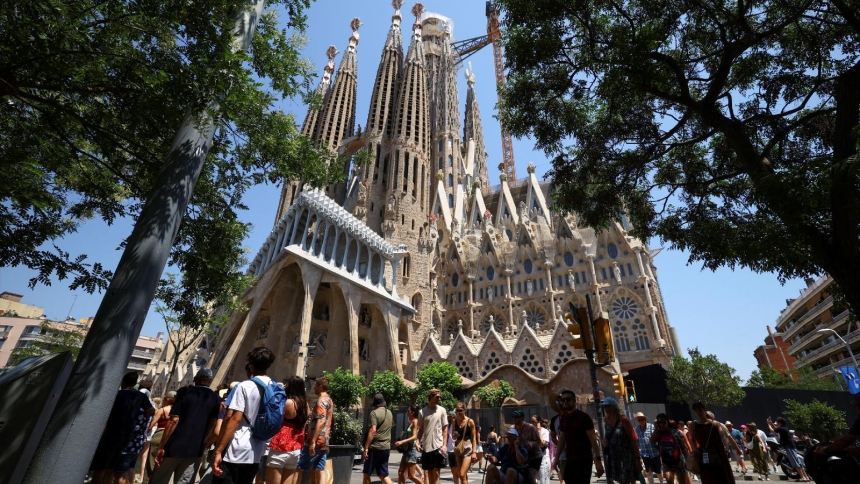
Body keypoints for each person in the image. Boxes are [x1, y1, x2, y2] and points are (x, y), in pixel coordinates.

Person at [212, 347, 277, 484]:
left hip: (236, 450)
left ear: (251, 365)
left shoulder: (245, 386)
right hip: (257, 450)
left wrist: (218, 450)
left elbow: (234, 419)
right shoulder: (275, 387)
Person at [149, 368, 220, 484]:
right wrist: (203, 442)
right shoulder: (216, 399)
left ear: (195, 379)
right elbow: (212, 424)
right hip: (195, 450)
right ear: (210, 381)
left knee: (159, 480)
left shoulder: (184, 392)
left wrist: (162, 445)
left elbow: (173, 421)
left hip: (173, 446)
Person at [90, 371, 157, 484]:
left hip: (111, 433)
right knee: (116, 468)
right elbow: (151, 412)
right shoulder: (141, 396)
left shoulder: (117, 394)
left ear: (123, 382)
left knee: (100, 468)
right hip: (127, 436)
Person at [555, 389, 604, 484]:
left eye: (568, 399)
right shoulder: (564, 418)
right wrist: (557, 457)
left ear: (574, 400)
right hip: (570, 459)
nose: (565, 402)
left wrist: (598, 460)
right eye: (563, 400)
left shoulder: (584, 417)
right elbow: (562, 438)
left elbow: (593, 440)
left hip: (583, 460)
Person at [266, 376, 309, 484]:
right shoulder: (305, 404)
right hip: (295, 447)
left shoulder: (288, 402)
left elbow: (275, 417)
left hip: (281, 446)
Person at [296, 377, 334, 484]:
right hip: (325, 439)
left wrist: (313, 441)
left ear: (321, 387)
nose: (314, 387)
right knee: (319, 469)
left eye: (316, 385)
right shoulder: (329, 400)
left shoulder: (321, 402)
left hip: (316, 440)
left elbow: (321, 421)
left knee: (299, 467)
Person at [689, 402, 734, 484]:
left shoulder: (715, 424)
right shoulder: (693, 425)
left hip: (718, 453)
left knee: (722, 476)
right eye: (696, 411)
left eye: (700, 410)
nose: (698, 412)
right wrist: (695, 450)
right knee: (707, 477)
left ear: (705, 410)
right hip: (703, 453)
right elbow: (692, 440)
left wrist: (726, 450)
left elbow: (723, 438)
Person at [602, 397, 642, 484]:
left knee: (627, 480)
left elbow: (633, 439)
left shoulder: (623, 420)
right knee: (621, 481)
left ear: (613, 407)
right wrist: (604, 441)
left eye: (607, 406)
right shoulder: (606, 420)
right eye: (604, 406)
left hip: (626, 456)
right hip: (614, 456)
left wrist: (637, 458)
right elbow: (607, 436)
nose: (605, 408)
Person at [416, 388, 448, 484]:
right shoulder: (422, 412)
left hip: (438, 445)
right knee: (429, 472)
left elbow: (445, 428)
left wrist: (444, 445)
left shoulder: (442, 410)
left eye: (439, 396)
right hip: (426, 446)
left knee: (437, 472)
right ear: (430, 397)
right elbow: (420, 430)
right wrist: (417, 442)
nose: (439, 398)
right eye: (436, 396)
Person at [363, 393, 395, 484]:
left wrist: (366, 447)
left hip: (375, 447)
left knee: (366, 473)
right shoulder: (389, 412)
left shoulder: (374, 413)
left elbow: (373, 430)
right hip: (386, 447)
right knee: (383, 474)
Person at [648, 413, 688, 484]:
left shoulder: (675, 432)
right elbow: (652, 441)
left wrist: (687, 459)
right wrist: (656, 428)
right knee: (669, 479)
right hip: (666, 461)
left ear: (667, 421)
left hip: (679, 460)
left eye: (663, 422)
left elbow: (683, 447)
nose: (661, 424)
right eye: (659, 422)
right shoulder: (658, 433)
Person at [767, 417, 810, 482]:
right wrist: (771, 423)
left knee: (795, 463)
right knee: (798, 462)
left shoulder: (782, 429)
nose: (777, 423)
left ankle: (802, 477)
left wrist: (769, 423)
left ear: (780, 423)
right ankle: (806, 477)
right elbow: (776, 429)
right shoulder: (785, 428)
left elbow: (774, 430)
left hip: (789, 447)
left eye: (777, 422)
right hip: (791, 446)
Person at [395, 405, 425, 484]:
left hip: (412, 450)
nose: (407, 412)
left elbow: (414, 437)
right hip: (407, 450)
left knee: (411, 476)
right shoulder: (410, 421)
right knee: (401, 472)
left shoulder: (415, 421)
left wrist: (402, 442)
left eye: (408, 411)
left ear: (412, 413)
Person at [511, 408, 542, 483]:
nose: (514, 419)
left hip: (534, 456)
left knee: (531, 476)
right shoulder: (513, 428)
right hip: (522, 456)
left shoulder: (531, 427)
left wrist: (531, 443)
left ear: (522, 418)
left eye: (516, 417)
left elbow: (539, 442)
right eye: (513, 417)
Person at [634, 412, 663, 484]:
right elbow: (636, 441)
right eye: (639, 420)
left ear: (645, 419)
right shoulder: (636, 429)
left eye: (642, 420)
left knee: (658, 471)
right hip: (645, 454)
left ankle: (661, 482)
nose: (641, 422)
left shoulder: (651, 426)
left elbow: (656, 437)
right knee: (649, 472)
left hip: (654, 453)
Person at [452, 402, 477, 484]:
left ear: (464, 410)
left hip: (467, 449)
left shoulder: (470, 421)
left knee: (462, 474)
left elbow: (473, 438)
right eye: (457, 410)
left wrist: (474, 452)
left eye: (460, 410)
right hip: (458, 449)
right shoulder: (455, 421)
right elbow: (453, 437)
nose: (458, 412)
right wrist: (454, 436)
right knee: (461, 475)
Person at [549, 395, 568, 484]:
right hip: (563, 452)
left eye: (561, 401)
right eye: (557, 402)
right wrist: (560, 445)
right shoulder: (554, 420)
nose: (560, 404)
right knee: (563, 476)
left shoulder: (571, 416)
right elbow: (553, 436)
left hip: (576, 451)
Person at [531, 416, 551, 484]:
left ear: (539, 422)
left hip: (543, 458)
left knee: (543, 481)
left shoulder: (544, 431)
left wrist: (539, 431)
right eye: (531, 422)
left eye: (534, 422)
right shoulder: (531, 431)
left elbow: (542, 444)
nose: (532, 424)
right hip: (533, 458)